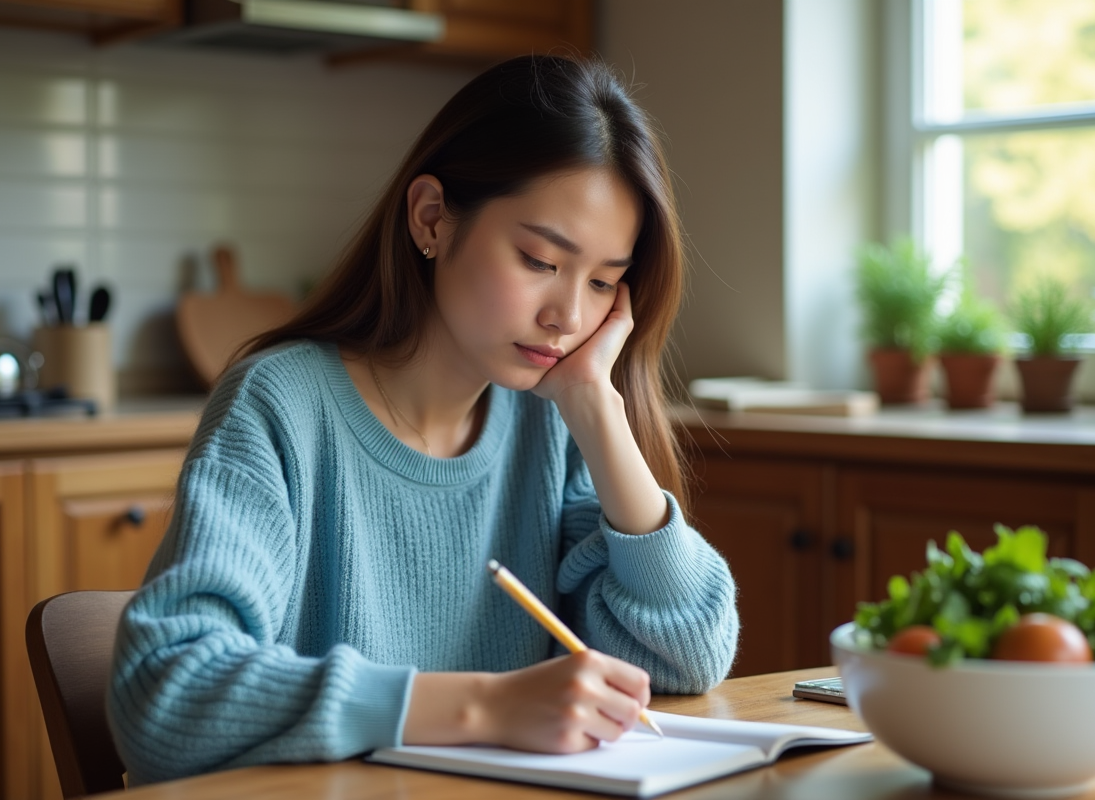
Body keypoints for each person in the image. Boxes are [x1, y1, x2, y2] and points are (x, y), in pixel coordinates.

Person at [107, 53, 738, 786]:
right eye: (539, 259)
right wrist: (483, 706)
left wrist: (598, 411)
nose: (568, 316)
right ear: (432, 217)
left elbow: (687, 653)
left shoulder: (549, 421)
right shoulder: (280, 406)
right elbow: (163, 694)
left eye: (602, 282)